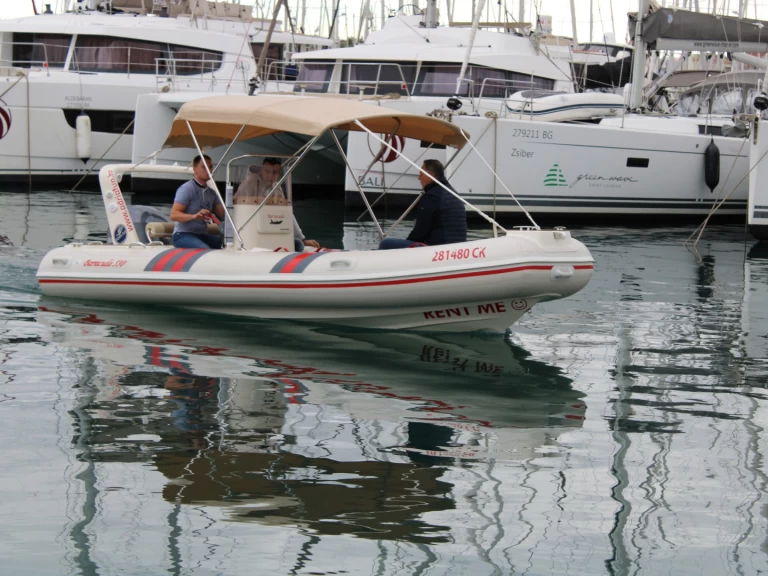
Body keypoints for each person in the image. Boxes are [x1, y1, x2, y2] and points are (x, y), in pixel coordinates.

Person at [378, 159, 467, 250]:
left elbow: (420, 232)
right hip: (457, 249)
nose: (419, 178)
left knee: (386, 243)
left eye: (421, 174)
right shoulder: (452, 193)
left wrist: (405, 249)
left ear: (429, 176)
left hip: (438, 250)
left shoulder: (432, 197)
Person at [234, 157, 319, 252]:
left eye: (275, 172)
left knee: (298, 244)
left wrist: (303, 239)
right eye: (267, 171)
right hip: (250, 232)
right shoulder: (248, 185)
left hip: (271, 230)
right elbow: (237, 211)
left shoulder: (277, 188)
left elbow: (286, 213)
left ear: (279, 174)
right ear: (262, 170)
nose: (271, 175)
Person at [171, 155, 226, 249]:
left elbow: (223, 215)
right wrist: (194, 216)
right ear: (195, 169)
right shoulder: (187, 189)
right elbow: (174, 215)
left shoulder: (212, 193)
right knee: (205, 249)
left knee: (226, 246)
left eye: (210, 167)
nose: (208, 170)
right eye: (204, 167)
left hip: (201, 235)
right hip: (182, 234)